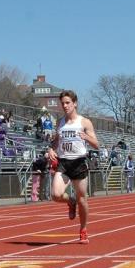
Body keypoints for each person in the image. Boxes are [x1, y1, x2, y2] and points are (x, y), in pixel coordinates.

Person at [46, 90, 99, 244]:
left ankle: (83, 230)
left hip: (79, 163)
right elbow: (56, 141)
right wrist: (51, 149)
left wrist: (86, 137)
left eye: (68, 102)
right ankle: (70, 202)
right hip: (64, 162)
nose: (65, 106)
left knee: (83, 199)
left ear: (75, 103)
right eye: (63, 103)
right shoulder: (60, 122)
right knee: (56, 195)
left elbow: (97, 145)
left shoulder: (84, 122)